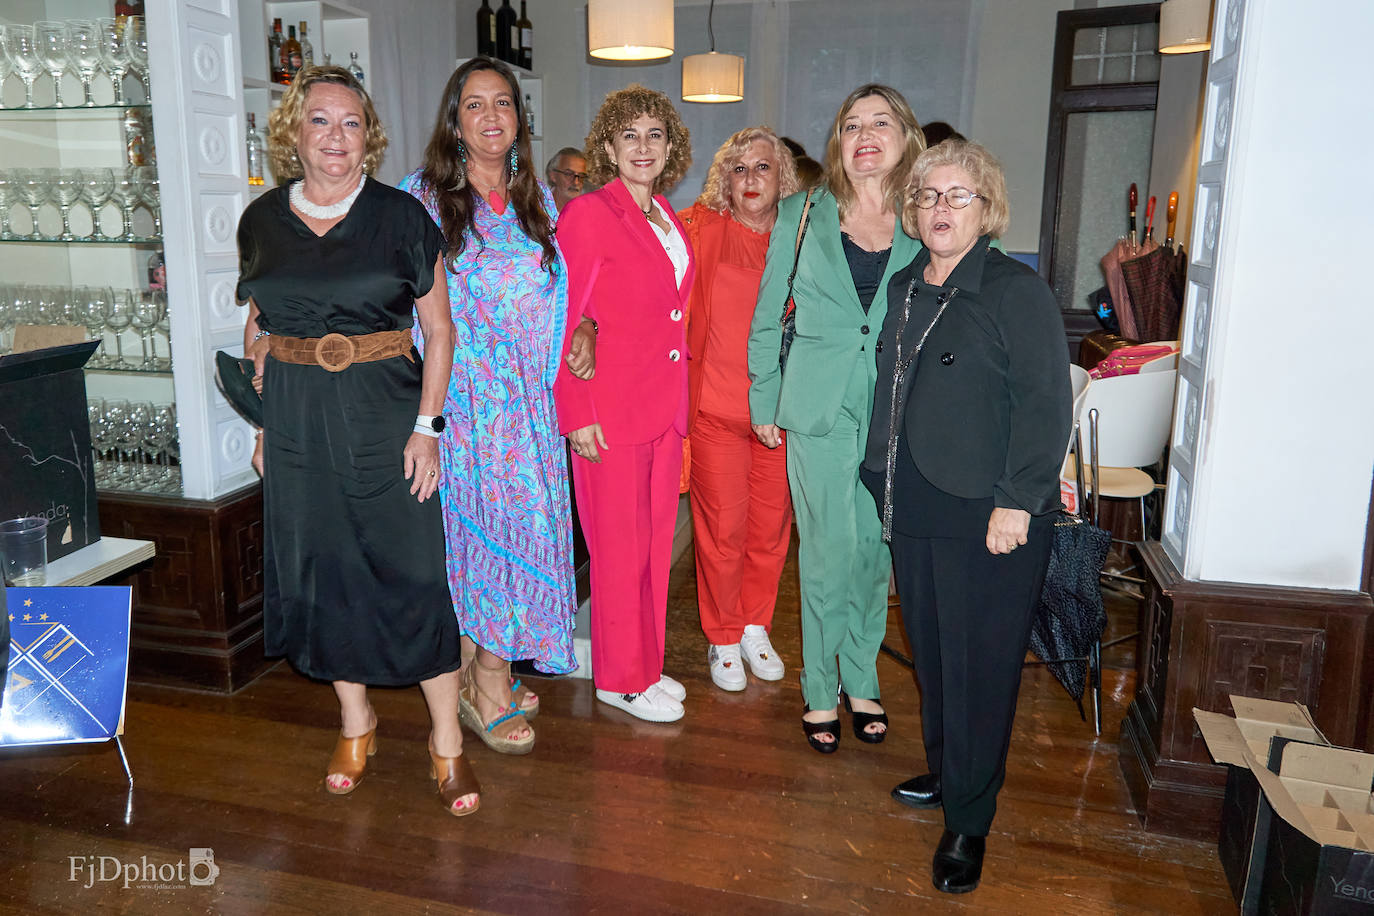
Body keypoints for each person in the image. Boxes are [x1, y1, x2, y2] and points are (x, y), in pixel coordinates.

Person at [236, 65, 478, 816]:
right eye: (319, 121)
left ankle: (447, 741)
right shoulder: (262, 222)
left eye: (349, 123)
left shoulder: (402, 217)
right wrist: (264, 422)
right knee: (326, 570)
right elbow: (259, 327)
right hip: (301, 420)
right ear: (293, 135)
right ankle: (356, 721)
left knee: (412, 572)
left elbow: (438, 331)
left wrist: (427, 430)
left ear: (366, 135)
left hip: (386, 415)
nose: (334, 137)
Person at [863, 140, 1070, 893]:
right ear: (911, 209)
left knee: (981, 666)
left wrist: (1018, 500)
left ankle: (970, 821)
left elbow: (1046, 405)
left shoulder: (1015, 290)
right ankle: (952, 773)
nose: (940, 210)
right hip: (915, 496)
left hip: (990, 509)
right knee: (935, 651)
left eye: (958, 196)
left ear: (987, 209)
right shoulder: (907, 287)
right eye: (927, 196)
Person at [400, 57, 581, 757]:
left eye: (501, 103)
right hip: (465, 409)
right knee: (477, 547)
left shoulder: (537, 198)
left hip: (530, 409)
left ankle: (488, 663)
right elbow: (376, 282)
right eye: (474, 105)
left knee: (527, 535)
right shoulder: (423, 198)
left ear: (518, 118)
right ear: (455, 121)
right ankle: (489, 686)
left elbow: (568, 290)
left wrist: (585, 332)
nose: (490, 116)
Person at [746, 84, 924, 753]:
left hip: (895, 409)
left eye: (881, 121)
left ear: (906, 137)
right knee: (826, 551)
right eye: (852, 124)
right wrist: (764, 399)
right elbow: (766, 318)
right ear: (838, 142)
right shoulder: (800, 212)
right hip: (819, 403)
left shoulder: (921, 216)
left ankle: (861, 673)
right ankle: (820, 686)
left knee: (875, 549)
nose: (866, 134)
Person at [554, 85, 695, 723]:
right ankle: (618, 678)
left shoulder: (665, 213)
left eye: (655, 135)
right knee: (616, 549)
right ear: (609, 146)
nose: (643, 147)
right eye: (629, 135)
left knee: (652, 548)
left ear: (671, 148)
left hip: (663, 408)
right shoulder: (587, 214)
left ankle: (645, 666)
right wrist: (576, 409)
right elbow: (566, 317)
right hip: (607, 410)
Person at [678, 127, 800, 692]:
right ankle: (723, 636)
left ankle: (755, 625)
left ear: (783, 180)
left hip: (781, 418)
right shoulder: (699, 229)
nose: (750, 179)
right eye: (739, 169)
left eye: (762, 168)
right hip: (715, 414)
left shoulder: (803, 242)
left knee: (770, 532)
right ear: (724, 179)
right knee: (721, 531)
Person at [545, 146, 589, 212]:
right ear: (553, 176)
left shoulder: (587, 211)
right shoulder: (538, 210)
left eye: (581, 176)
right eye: (568, 174)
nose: (576, 182)